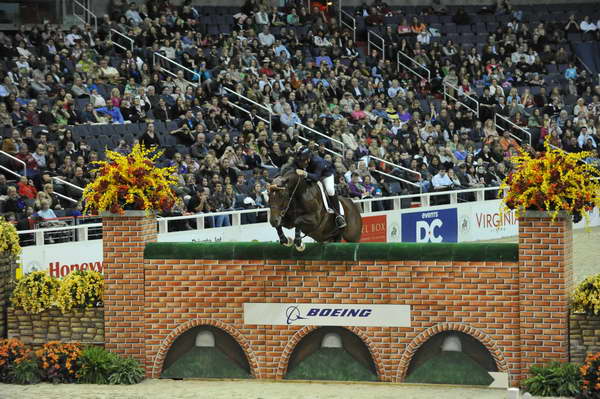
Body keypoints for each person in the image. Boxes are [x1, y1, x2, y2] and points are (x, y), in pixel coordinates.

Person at [293, 145, 346, 229]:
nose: (300, 163)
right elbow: (294, 166)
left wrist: (305, 173)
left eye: (302, 161)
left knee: (330, 190)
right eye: (299, 160)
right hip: (311, 174)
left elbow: (316, 177)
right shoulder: (299, 158)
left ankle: (339, 215)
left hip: (325, 175)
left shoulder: (318, 161)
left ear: (308, 159)